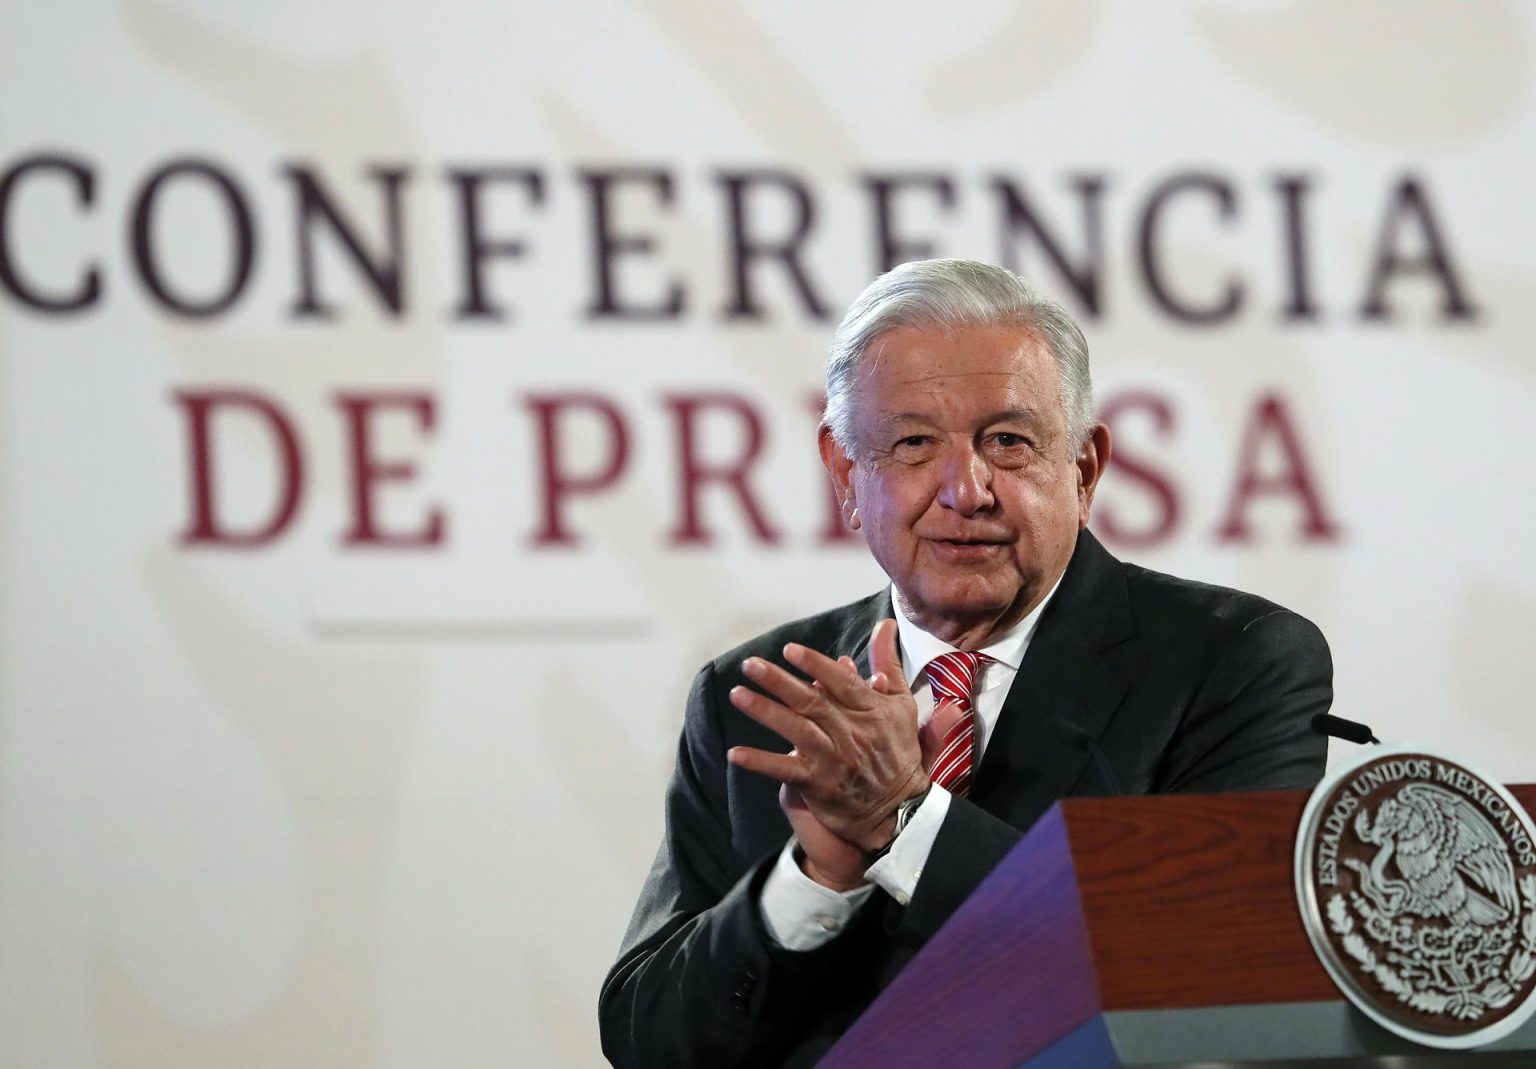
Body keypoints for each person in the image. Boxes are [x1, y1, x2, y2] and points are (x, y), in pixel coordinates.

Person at [598, 259, 1331, 1068]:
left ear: (1083, 471)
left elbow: (1200, 973)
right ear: (847, 474)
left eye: (1008, 442)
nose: (965, 489)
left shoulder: (1233, 664)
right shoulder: (760, 694)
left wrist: (901, 819)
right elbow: (649, 1042)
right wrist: (817, 874)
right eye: (914, 443)